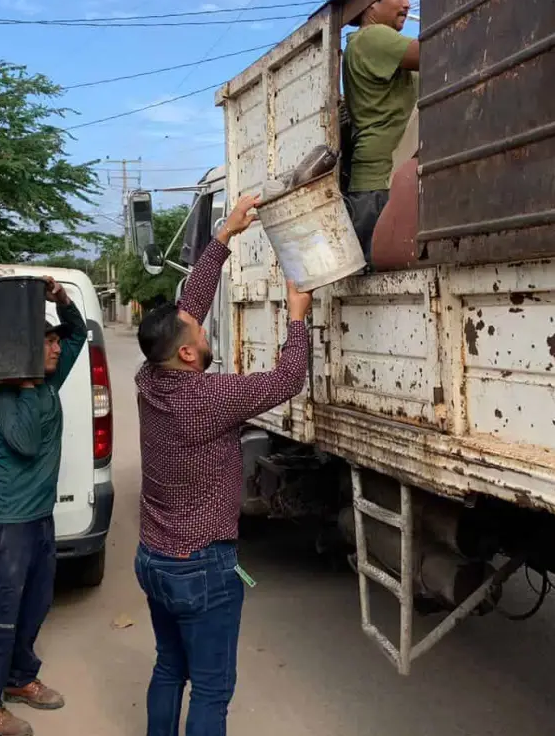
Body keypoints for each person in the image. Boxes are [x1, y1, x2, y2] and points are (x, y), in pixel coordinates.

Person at [134, 194, 312, 736]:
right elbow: (285, 382)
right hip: (201, 567)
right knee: (212, 689)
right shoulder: (207, 399)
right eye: (199, 335)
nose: (204, 330)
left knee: (170, 667)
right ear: (187, 354)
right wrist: (298, 318)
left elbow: (191, 305)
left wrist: (224, 235)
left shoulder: (149, 380)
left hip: (155, 559)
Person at [0, 275, 88, 736]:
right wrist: (34, 385)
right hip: (7, 526)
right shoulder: (4, 400)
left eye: (55, 341)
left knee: (35, 604)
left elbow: (79, 335)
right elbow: (29, 443)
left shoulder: (45, 384)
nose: (57, 349)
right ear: (25, 351)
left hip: (38, 519)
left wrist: (62, 300)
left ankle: (18, 679)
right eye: (47, 343)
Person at [342, 0, 420, 265]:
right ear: (371, 3)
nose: (407, 4)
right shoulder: (373, 37)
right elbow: (437, 52)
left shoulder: (381, 47)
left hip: (384, 182)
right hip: (380, 184)